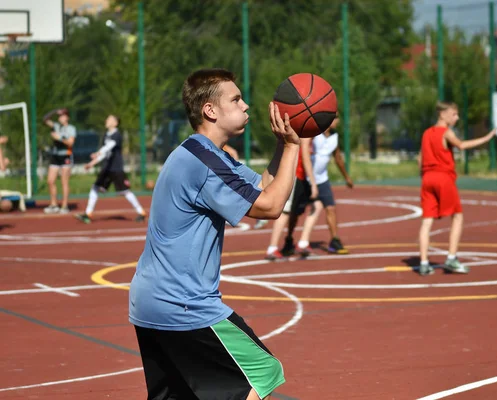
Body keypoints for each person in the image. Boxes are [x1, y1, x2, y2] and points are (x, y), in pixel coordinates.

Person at [129, 68, 300, 400]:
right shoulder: (205, 163)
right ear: (210, 110)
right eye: (236, 99)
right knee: (262, 372)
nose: (246, 105)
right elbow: (271, 206)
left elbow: (262, 187)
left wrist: (281, 144)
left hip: (149, 302)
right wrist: (295, 145)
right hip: (184, 303)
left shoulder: (201, 154)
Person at [417, 101, 496, 276]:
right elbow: (461, 145)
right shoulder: (446, 132)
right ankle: (451, 258)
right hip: (443, 178)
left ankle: (423, 263)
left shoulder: (426, 133)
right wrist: (486, 138)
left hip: (427, 178)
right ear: (443, 114)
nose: (457, 117)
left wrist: (423, 176)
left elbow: (419, 158)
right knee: (457, 217)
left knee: (426, 222)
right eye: (454, 114)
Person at [296, 113, 353, 256]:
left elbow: (338, 158)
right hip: (307, 179)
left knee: (330, 208)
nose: (336, 121)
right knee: (295, 212)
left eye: (337, 118)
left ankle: (334, 240)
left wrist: (346, 177)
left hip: (322, 179)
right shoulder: (315, 134)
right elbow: (303, 151)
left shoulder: (334, 137)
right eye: (333, 118)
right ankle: (290, 240)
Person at [74, 114, 146, 224]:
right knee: (95, 188)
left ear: (115, 123)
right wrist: (92, 163)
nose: (107, 120)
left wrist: (98, 152)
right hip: (107, 168)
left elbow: (110, 146)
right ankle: (88, 214)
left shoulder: (117, 135)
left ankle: (141, 212)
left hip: (116, 168)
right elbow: (105, 153)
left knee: (125, 192)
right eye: (107, 118)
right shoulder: (106, 135)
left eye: (110, 119)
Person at [264, 137, 318, 260]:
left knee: (295, 212)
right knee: (285, 211)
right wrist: (313, 182)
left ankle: (288, 240)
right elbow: (304, 156)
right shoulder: (306, 132)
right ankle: (272, 248)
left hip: (300, 177)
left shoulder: (312, 134)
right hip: (294, 175)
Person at [42, 108, 76, 214]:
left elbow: (70, 143)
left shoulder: (71, 128)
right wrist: (54, 111)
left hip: (65, 155)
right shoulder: (56, 126)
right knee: (50, 181)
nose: (60, 118)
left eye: (63, 116)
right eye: (59, 116)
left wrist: (59, 138)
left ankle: (65, 206)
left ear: (67, 117)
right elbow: (45, 119)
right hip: (55, 156)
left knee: (64, 181)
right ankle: (54, 204)